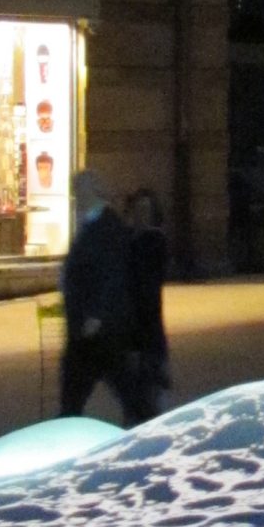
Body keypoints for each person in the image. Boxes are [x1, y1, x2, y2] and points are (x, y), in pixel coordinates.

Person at [58, 169, 139, 422]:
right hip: (89, 327)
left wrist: (96, 314)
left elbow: (111, 273)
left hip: (98, 328)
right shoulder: (92, 222)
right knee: (83, 391)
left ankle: (143, 425)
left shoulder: (107, 225)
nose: (75, 197)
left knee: (121, 386)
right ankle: (141, 422)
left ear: (91, 192)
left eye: (78, 191)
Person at [119, 188, 171, 422]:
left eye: (146, 210)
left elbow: (145, 284)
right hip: (133, 331)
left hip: (148, 332)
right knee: (136, 398)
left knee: (150, 397)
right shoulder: (130, 241)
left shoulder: (152, 241)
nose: (142, 215)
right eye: (138, 210)